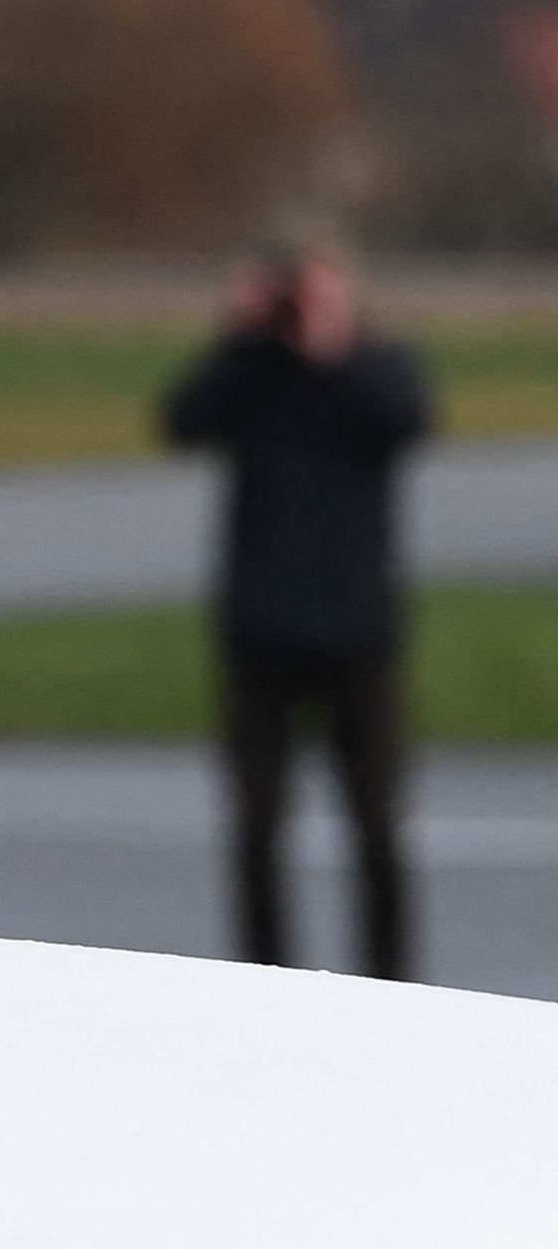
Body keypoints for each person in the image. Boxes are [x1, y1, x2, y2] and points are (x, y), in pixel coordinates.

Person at [162, 229, 436, 978]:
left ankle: (392, 983)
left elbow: (408, 420)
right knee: (256, 831)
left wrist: (333, 344)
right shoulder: (253, 375)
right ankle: (265, 977)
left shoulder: (377, 365)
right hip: (262, 632)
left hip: (357, 631)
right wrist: (240, 336)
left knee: (379, 828)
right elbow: (182, 421)